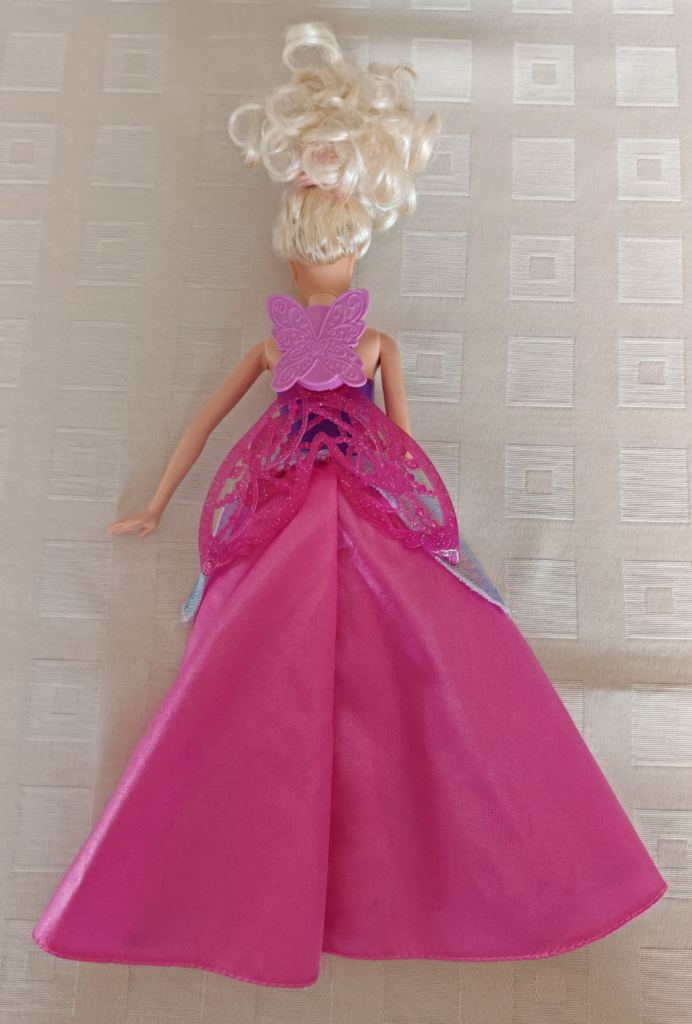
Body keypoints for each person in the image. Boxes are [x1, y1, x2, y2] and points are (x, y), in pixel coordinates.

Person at [31, 20, 667, 989]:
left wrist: (428, 529)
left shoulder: (372, 344)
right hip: (288, 495)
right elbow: (209, 423)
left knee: (409, 652)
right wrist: (156, 502)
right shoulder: (279, 342)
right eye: (307, 258)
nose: (315, 271)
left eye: (325, 255)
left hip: (354, 494)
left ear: (347, 256)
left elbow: (403, 445)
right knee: (255, 657)